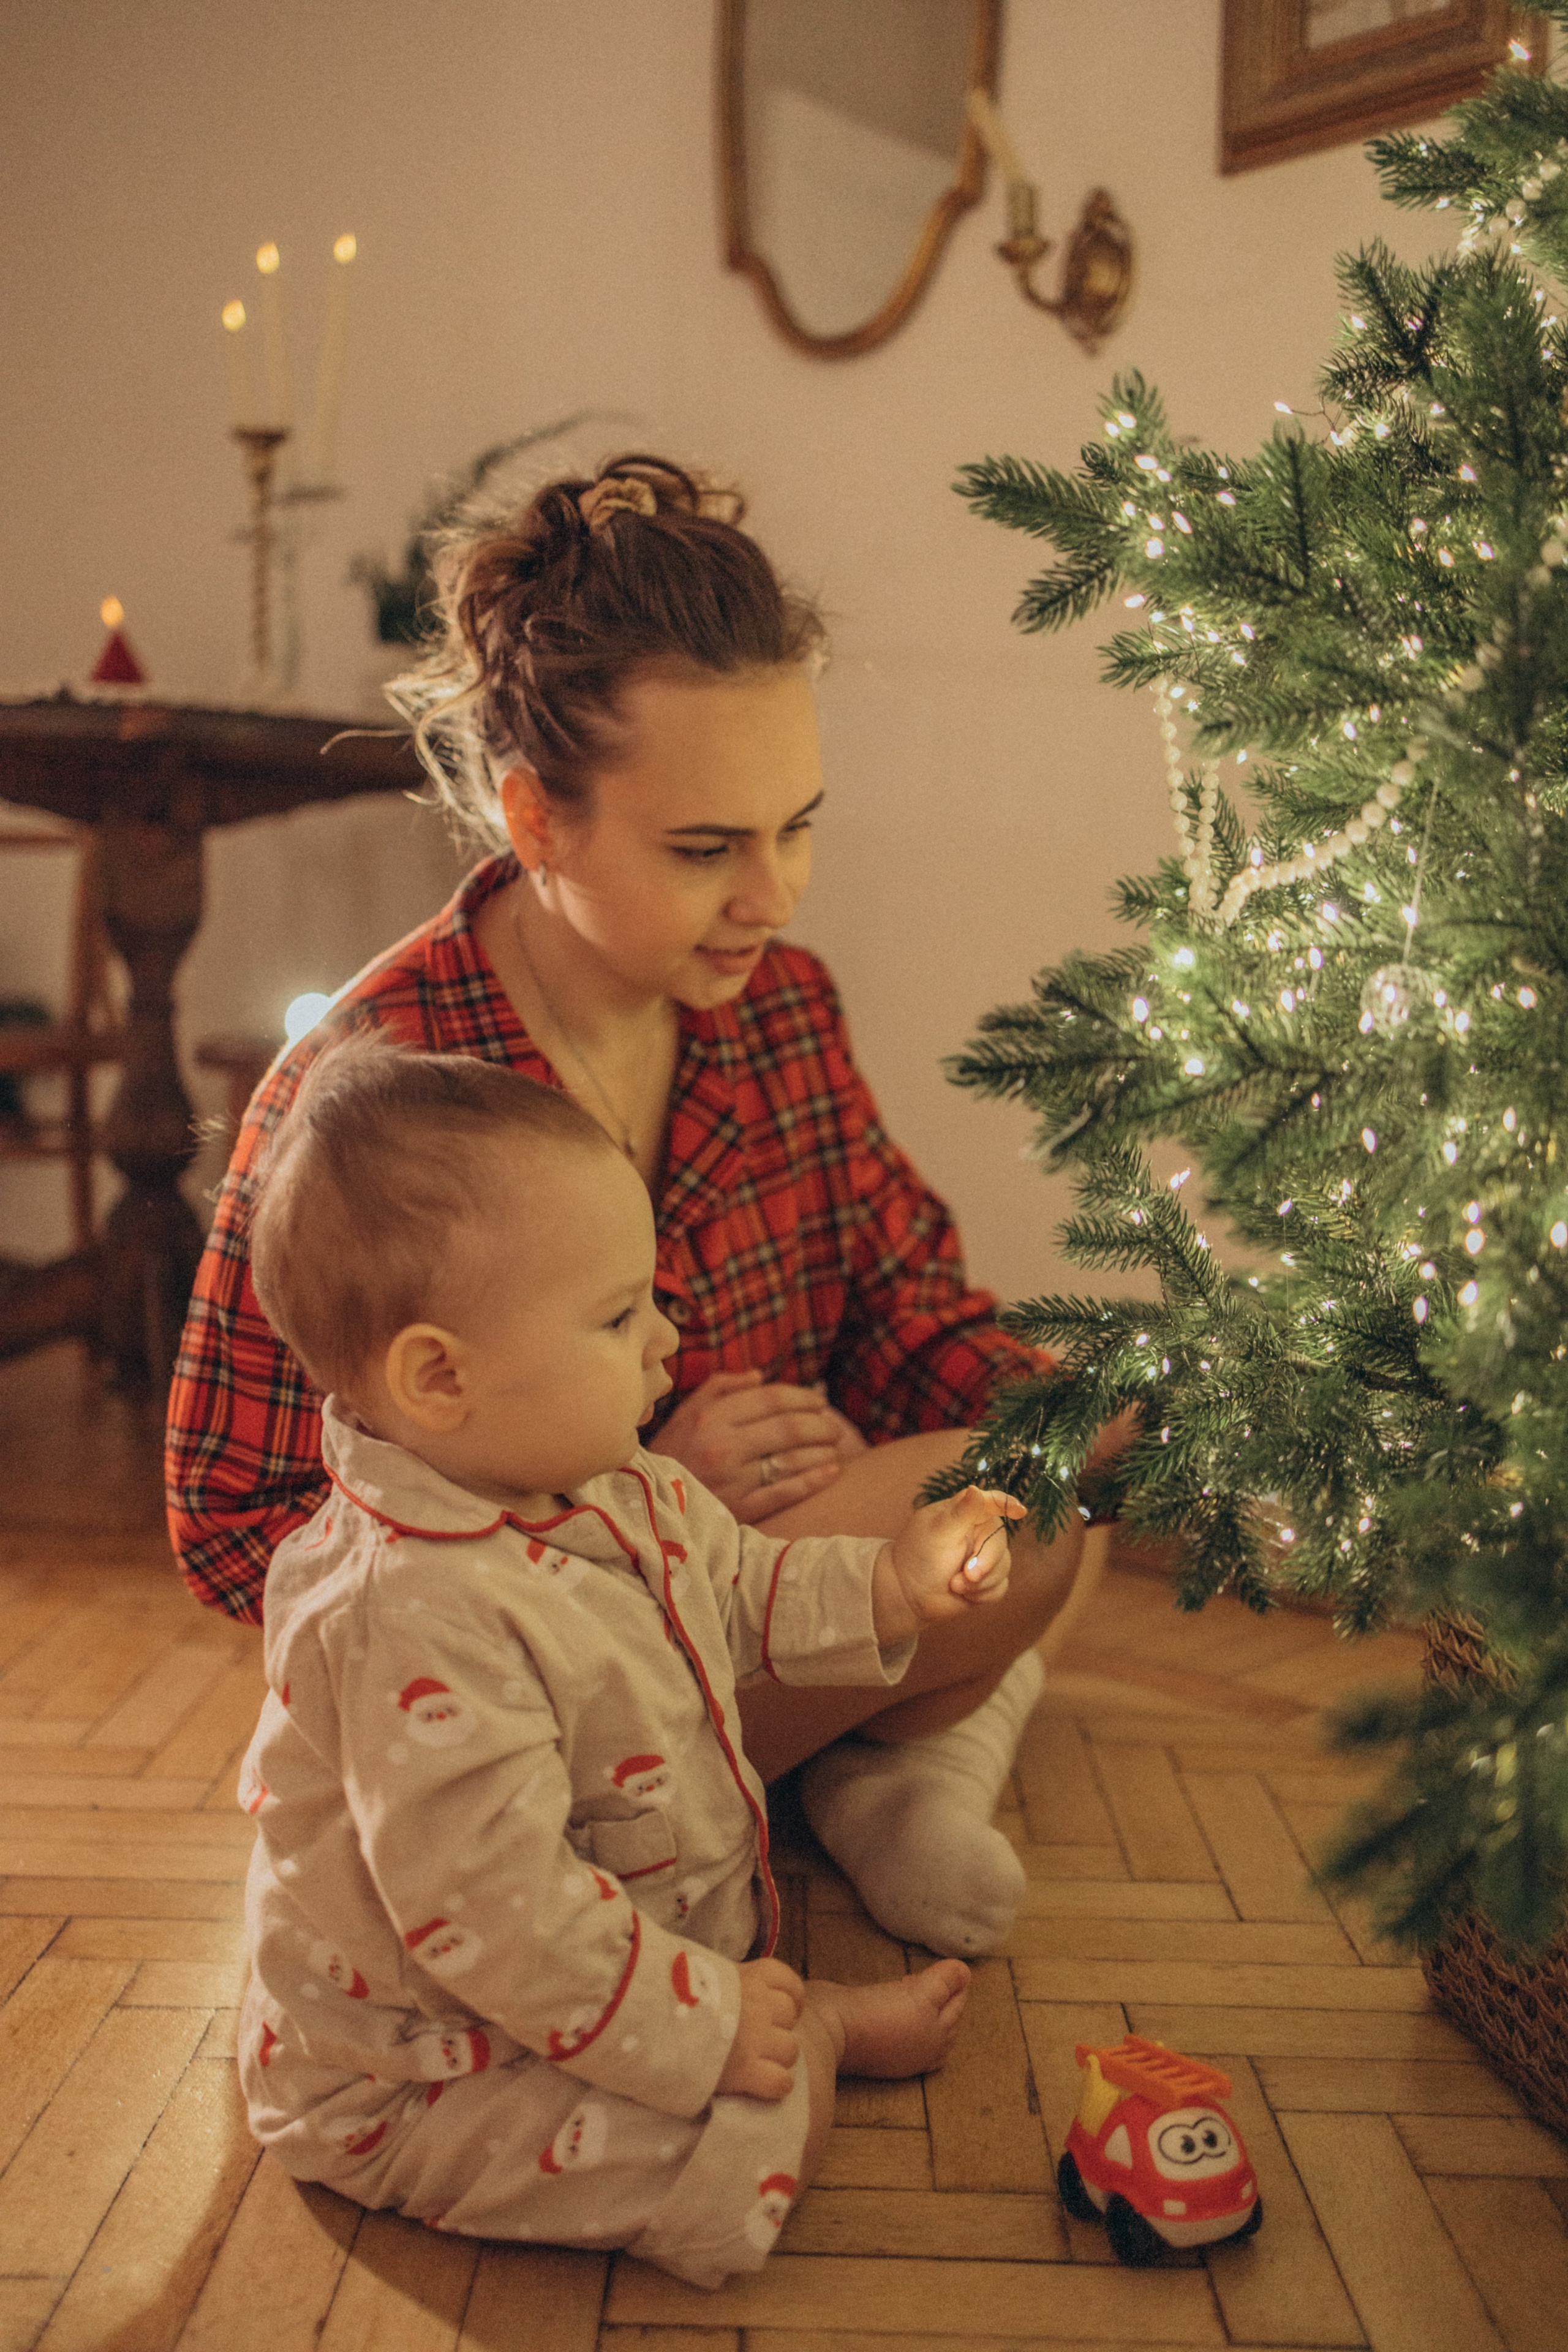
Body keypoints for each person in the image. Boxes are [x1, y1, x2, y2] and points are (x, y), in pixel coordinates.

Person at [166, 453, 1087, 1959]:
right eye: (704, 847)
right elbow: (234, 1527)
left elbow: (901, 1306)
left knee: (1040, 1502)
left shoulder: (781, 1007)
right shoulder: (371, 1094)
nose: (773, 893)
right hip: (507, 1708)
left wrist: (1103, 1412)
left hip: (747, 1612)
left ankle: (881, 1774)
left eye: (795, 825)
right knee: (1001, 1543)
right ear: (534, 819)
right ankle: (879, 1766)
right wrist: (616, 1484)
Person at [239, 1041, 1006, 2287]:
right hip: (414, 2066)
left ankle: (765, 2020)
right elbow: (499, 1922)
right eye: (616, 1316)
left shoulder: (614, 1483)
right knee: (732, 2152)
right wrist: (709, 2030)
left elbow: (746, 1585)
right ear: (439, 1377)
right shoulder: (409, 1616)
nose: (666, 1341)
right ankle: (809, 2036)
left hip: (604, 1977)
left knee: (703, 2076)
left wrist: (888, 1581)